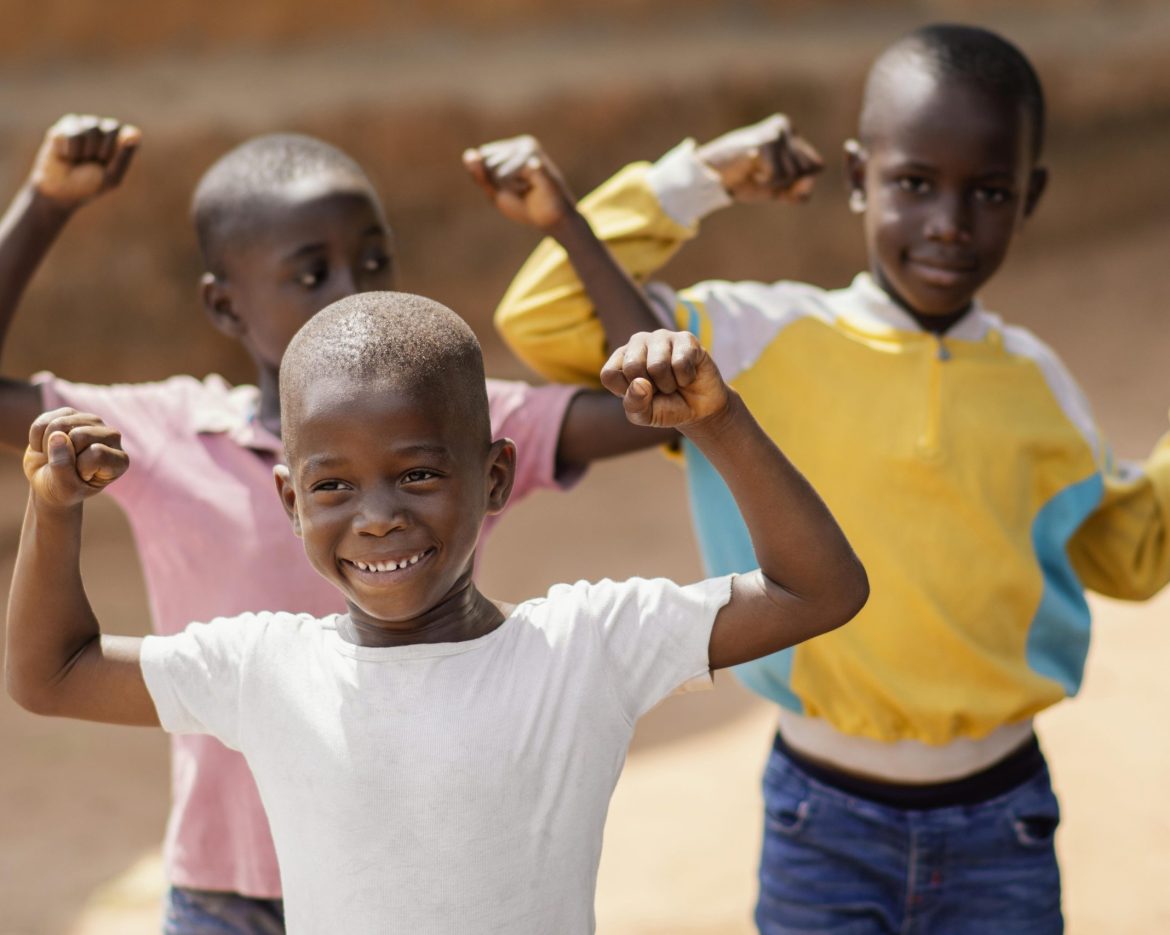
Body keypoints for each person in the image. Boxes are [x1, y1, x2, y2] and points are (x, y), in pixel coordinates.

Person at [469, 23, 1170, 934]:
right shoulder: (753, 342)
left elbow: (1135, 551)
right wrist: (700, 178)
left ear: (1029, 196)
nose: (949, 222)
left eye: (988, 192)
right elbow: (549, 314)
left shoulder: (1041, 387)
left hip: (1004, 820)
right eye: (914, 183)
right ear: (856, 177)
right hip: (823, 818)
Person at [6, 290, 868, 933]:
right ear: (290, 499)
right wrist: (53, 508)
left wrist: (719, 421)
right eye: (332, 485)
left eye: (418, 473)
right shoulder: (266, 668)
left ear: (494, 477)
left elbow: (821, 589)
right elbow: (52, 673)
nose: (376, 515)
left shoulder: (583, 649)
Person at [0, 116, 672, 933]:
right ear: (225, 304)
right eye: (312, 273)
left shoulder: (461, 419)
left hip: (411, 881)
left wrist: (565, 222)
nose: (353, 290)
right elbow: (50, 673)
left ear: (486, 468)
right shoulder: (169, 431)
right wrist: (43, 204)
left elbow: (654, 412)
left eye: (374, 259)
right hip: (228, 892)